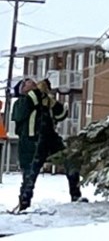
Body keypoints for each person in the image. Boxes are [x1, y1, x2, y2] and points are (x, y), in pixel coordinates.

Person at [11, 77, 84, 211]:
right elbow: (28, 105)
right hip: (31, 144)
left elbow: (61, 115)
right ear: (22, 90)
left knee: (70, 161)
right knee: (29, 175)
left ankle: (76, 195)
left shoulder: (43, 101)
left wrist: (51, 101)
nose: (32, 81)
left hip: (50, 141)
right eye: (27, 82)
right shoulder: (20, 103)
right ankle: (24, 204)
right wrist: (38, 92)